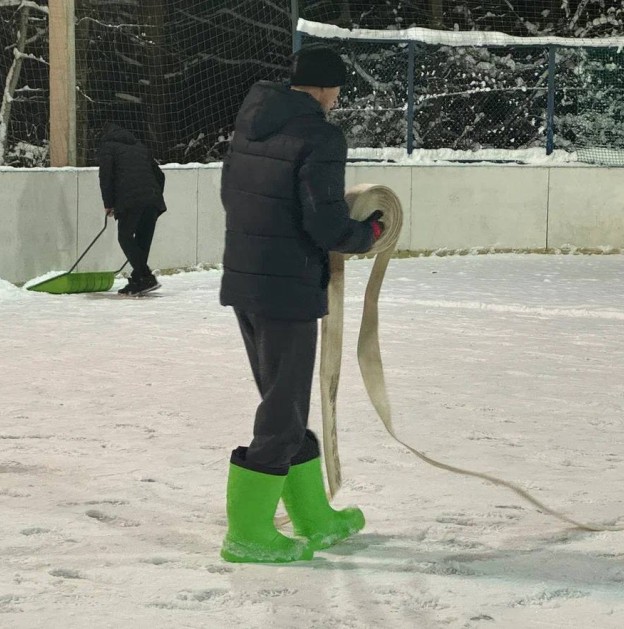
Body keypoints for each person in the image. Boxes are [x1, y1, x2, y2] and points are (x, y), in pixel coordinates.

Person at [218, 45, 385, 563]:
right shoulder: (319, 134)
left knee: (283, 401)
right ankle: (247, 533)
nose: (337, 100)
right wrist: (371, 231)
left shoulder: (250, 126)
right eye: (337, 90)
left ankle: (313, 517)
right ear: (326, 88)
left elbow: (235, 198)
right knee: (282, 412)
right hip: (287, 288)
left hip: (246, 281)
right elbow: (325, 223)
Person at [97, 122, 167, 295]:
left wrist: (108, 203)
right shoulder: (140, 147)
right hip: (153, 200)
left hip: (130, 200)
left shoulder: (108, 147)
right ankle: (139, 279)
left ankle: (145, 277)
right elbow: (160, 175)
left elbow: (106, 176)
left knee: (125, 237)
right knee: (142, 240)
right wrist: (153, 195)